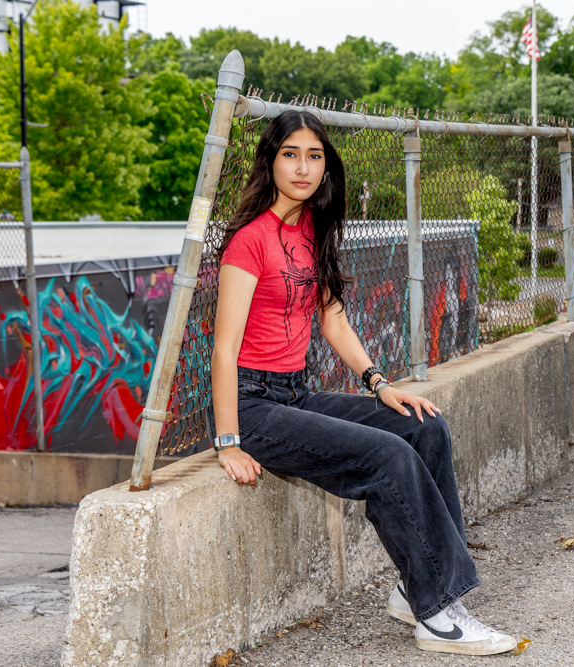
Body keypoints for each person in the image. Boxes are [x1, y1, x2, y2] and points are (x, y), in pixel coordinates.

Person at [208, 109, 517, 656]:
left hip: (294, 393)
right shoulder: (249, 242)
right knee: (387, 456)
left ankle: (414, 588)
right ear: (270, 160)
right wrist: (229, 439)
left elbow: (333, 320)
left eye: (315, 156)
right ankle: (439, 613)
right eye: (290, 154)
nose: (303, 167)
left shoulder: (313, 231)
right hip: (253, 407)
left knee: (422, 426)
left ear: (326, 167)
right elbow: (225, 348)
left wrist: (381, 385)